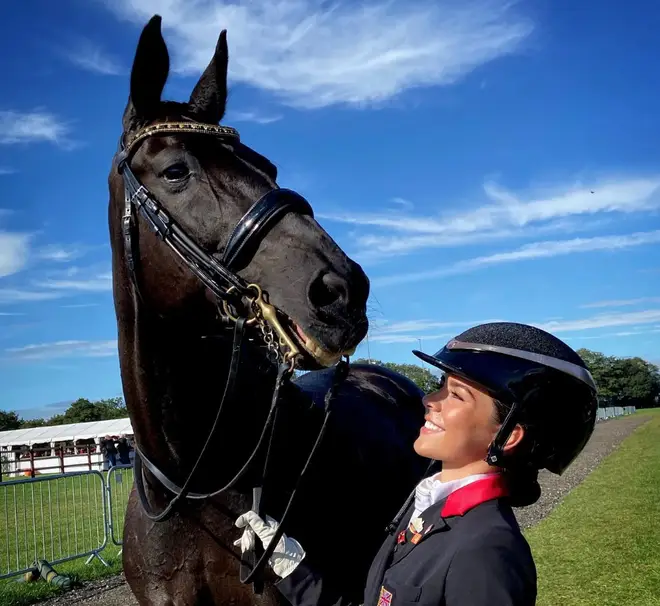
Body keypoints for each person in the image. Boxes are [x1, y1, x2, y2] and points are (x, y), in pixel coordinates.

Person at [234, 322, 598, 606]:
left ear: (509, 436)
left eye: (455, 394)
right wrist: (293, 568)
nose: (428, 400)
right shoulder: (424, 510)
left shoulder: (487, 554)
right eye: (441, 385)